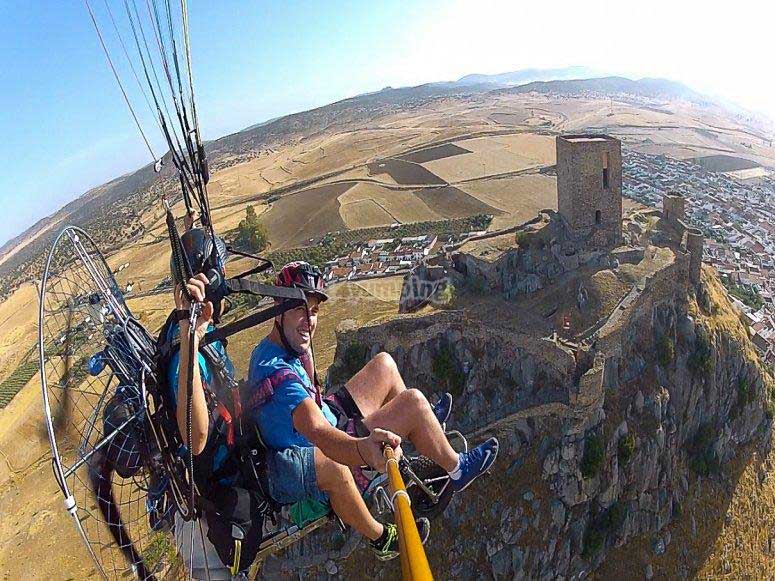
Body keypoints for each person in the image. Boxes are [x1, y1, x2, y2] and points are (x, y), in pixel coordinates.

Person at [248, 261, 499, 561]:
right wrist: (364, 449)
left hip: (332, 419)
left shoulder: (274, 348)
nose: (309, 320)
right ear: (279, 310)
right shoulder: (278, 375)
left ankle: (423, 429)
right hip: (334, 446)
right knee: (413, 402)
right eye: (300, 309)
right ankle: (456, 468)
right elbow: (318, 432)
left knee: (385, 364)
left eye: (313, 311)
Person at [164, 228, 254, 580]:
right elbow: (196, 437)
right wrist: (192, 330)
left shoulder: (196, 335)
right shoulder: (187, 351)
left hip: (221, 485)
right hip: (211, 518)